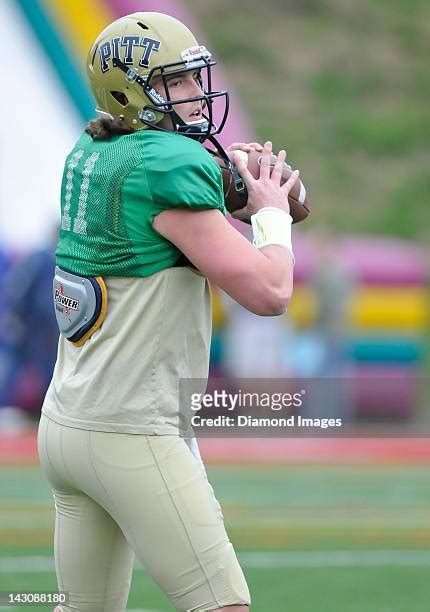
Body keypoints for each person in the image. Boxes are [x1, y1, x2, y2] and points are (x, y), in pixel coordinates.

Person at [37, 11, 299, 612]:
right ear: (132, 92)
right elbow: (270, 292)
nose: (195, 94)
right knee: (222, 605)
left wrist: (234, 189)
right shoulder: (164, 168)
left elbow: (155, 224)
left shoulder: (97, 150)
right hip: (130, 430)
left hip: (67, 424)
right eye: (176, 83)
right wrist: (270, 213)